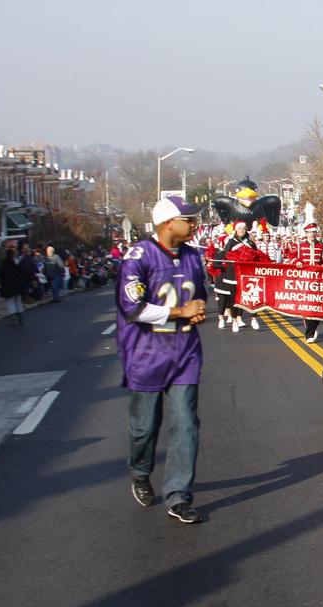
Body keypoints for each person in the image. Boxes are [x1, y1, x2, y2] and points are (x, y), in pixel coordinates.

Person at [116, 196, 208, 524]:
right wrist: (178, 311)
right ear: (169, 222)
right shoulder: (138, 256)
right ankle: (141, 472)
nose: (195, 226)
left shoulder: (193, 256)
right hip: (146, 353)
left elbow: (199, 296)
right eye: (190, 220)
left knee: (185, 423)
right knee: (145, 427)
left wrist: (195, 311)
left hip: (184, 352)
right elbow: (133, 307)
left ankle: (178, 495)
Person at [294, 222, 323, 342]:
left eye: (313, 232)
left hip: (317, 279)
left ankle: (313, 327)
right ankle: (309, 333)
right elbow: (292, 256)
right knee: (308, 305)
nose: (312, 234)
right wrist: (296, 262)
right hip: (304, 279)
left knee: (318, 305)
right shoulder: (299, 245)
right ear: (306, 233)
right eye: (309, 232)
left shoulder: (321, 246)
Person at [0, 249, 26, 325]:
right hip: (18, 285)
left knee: (10, 303)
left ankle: (13, 320)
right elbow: (22, 272)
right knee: (18, 302)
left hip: (8, 286)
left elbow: (0, 274)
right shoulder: (17, 262)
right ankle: (21, 319)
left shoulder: (4, 263)